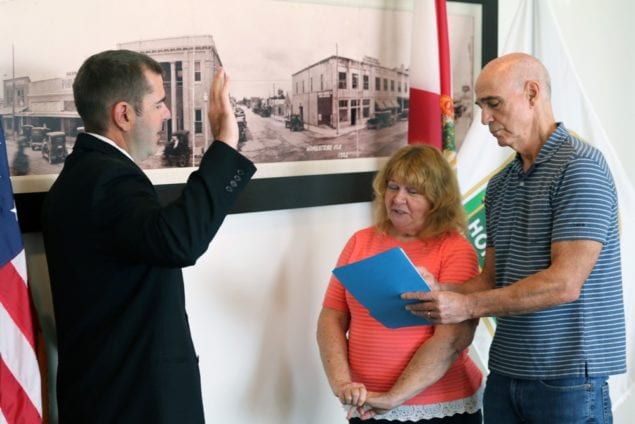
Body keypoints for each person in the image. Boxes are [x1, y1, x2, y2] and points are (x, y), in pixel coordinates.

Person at [402, 52, 626, 423]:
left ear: (533, 94)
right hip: (506, 373)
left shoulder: (580, 168)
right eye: (481, 106)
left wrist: (468, 308)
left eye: (493, 104)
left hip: (567, 378)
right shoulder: (501, 184)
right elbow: (492, 279)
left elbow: (564, 284)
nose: (485, 118)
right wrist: (442, 291)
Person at [41, 49, 256, 423]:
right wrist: (225, 142)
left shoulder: (85, 173)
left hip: (108, 395)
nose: (167, 114)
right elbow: (178, 240)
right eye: (158, 103)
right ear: (123, 114)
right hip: (135, 402)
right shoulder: (108, 179)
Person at [317, 144, 483, 423]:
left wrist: (395, 396)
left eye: (413, 192)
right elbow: (331, 317)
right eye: (393, 187)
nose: (397, 199)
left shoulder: (455, 249)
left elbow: (452, 338)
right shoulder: (361, 241)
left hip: (438, 408)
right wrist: (343, 385)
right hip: (367, 404)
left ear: (438, 199)